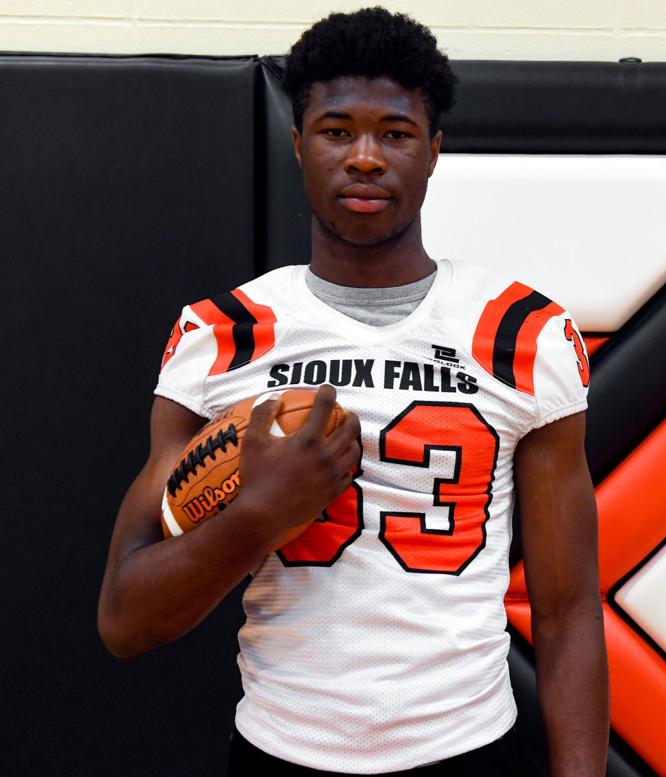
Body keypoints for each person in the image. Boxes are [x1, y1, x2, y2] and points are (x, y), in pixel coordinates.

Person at [96, 8, 608, 776]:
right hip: (282, 748)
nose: (365, 157)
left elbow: (568, 613)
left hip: (465, 746)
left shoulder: (524, 334)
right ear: (299, 146)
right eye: (337, 130)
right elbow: (124, 618)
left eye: (395, 134)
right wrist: (259, 514)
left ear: (434, 153)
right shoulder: (222, 333)